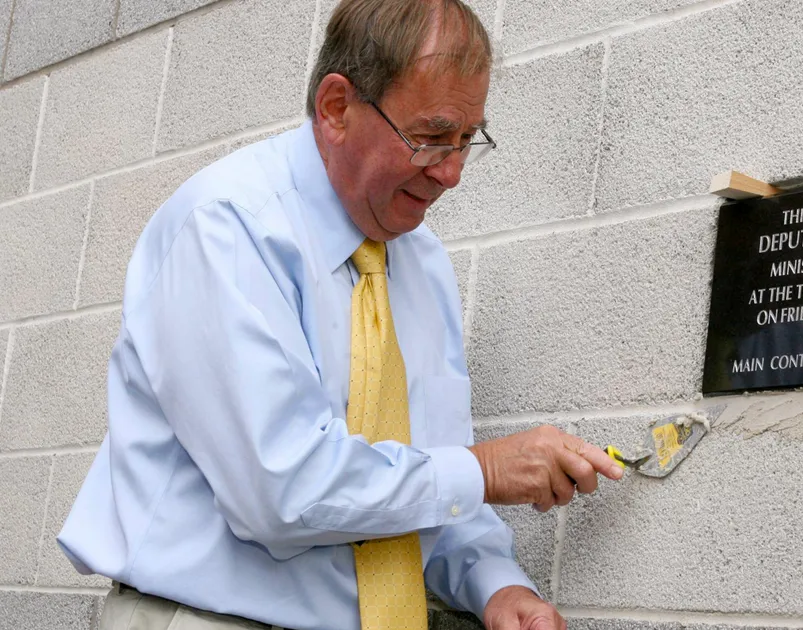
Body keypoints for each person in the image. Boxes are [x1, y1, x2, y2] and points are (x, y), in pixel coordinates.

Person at [57, 1, 622, 629]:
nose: (454, 172)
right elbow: (283, 491)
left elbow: (429, 475)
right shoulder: (227, 227)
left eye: (469, 139)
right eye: (431, 136)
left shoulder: (422, 263)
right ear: (336, 108)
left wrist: (495, 585)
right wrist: (485, 469)